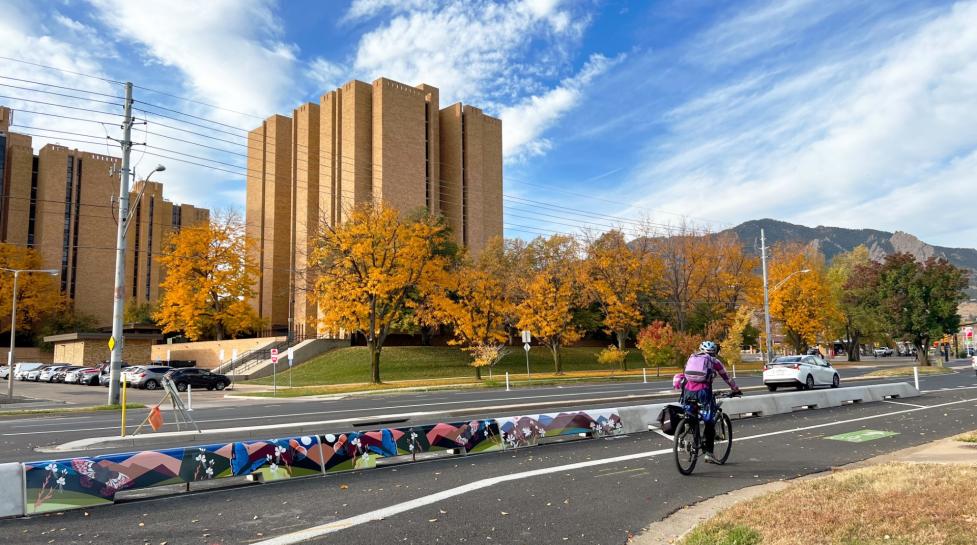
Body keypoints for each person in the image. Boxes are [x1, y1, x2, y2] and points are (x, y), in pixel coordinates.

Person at [679, 340, 741, 464]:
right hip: (704, 393)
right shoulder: (714, 361)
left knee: (692, 416)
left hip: (687, 392)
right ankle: (709, 454)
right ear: (715, 352)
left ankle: (690, 436)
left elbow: (684, 375)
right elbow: (726, 376)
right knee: (709, 421)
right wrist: (735, 389)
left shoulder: (692, 358)